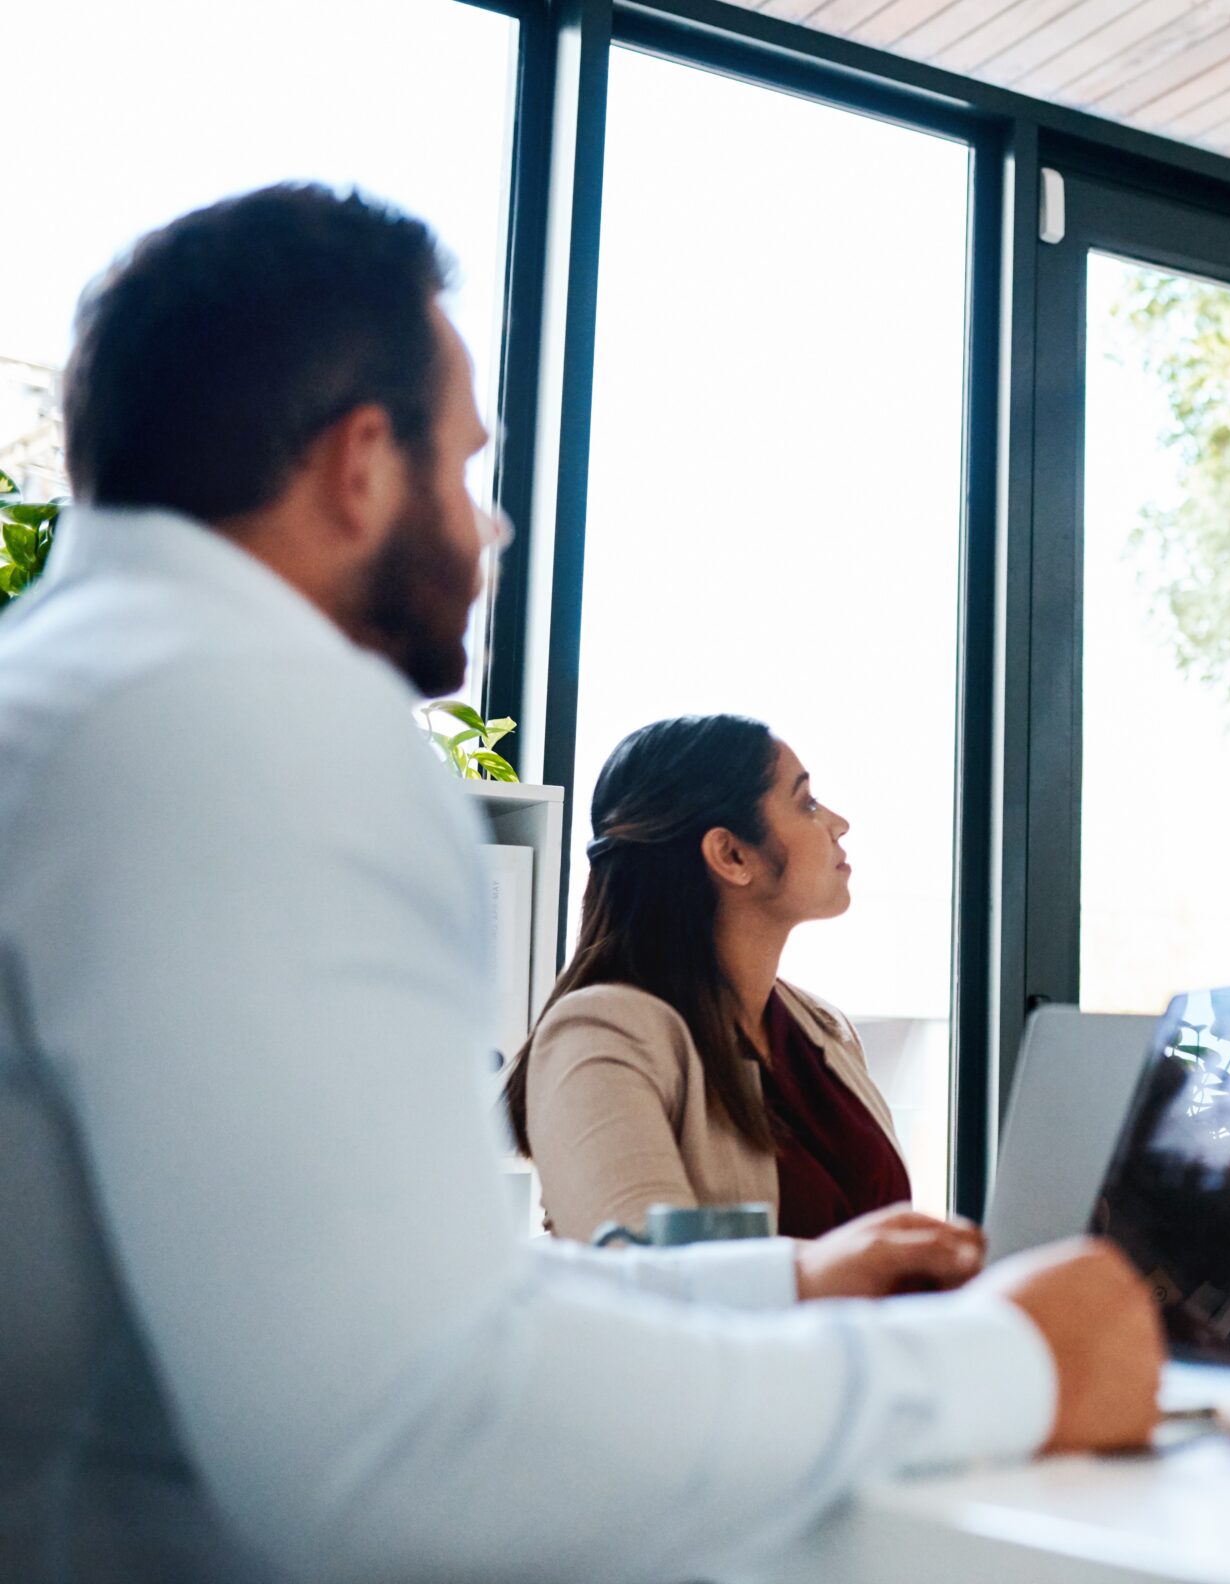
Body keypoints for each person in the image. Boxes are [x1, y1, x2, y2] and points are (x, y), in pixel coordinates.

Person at [0, 184, 1161, 1583]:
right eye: (463, 467)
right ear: (361, 465)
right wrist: (1007, 1368)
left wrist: (785, 1281)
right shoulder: (249, 731)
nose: (489, 530)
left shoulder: (85, 702)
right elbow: (424, 1438)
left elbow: (367, 1292)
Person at [503, 713, 925, 1243]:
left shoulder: (824, 1029)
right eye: (807, 803)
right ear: (731, 854)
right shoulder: (601, 1035)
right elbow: (641, 1274)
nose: (838, 823)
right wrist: (845, 1268)